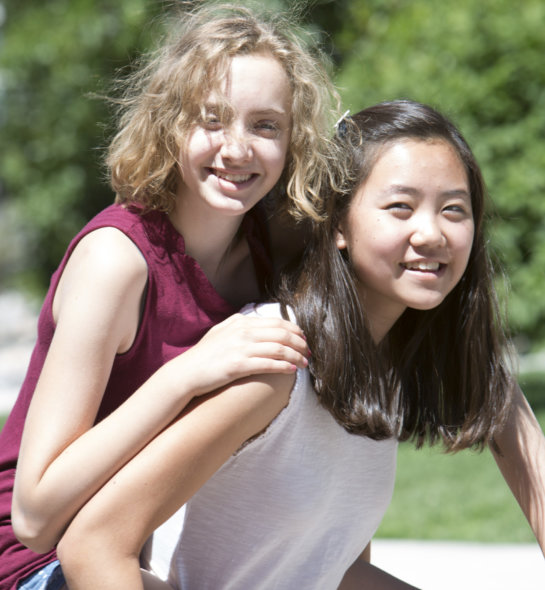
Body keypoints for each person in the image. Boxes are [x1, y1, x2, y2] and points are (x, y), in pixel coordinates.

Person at [54, 99, 545, 589]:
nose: (431, 233)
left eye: (454, 210)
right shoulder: (276, 359)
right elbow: (93, 546)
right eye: (400, 207)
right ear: (337, 226)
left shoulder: (387, 360)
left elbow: (331, 569)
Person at [0, 4, 344, 589]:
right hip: (32, 567)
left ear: (292, 141)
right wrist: (191, 371)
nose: (237, 149)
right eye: (213, 119)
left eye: (265, 126)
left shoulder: (265, 252)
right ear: (171, 124)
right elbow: (34, 515)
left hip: (124, 555)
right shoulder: (118, 261)